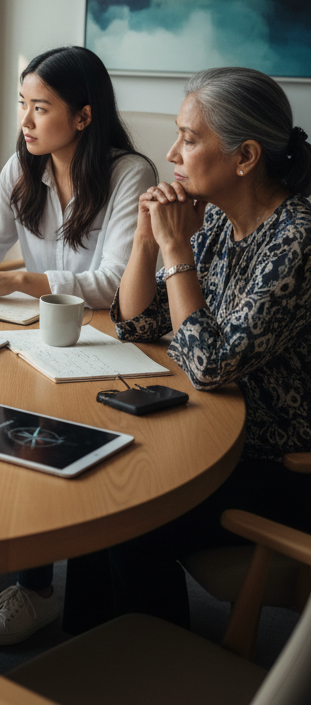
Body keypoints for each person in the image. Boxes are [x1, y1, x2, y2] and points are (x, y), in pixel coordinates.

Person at [0, 45, 156, 645]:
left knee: (35, 434)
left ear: (83, 116)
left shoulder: (131, 174)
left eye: (40, 107)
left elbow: (113, 286)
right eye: (22, 104)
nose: (24, 121)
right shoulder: (26, 164)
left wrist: (25, 279)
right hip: (36, 336)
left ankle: (37, 590)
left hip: (107, 345)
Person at [62, 67, 311, 635]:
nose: (171, 152)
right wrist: (148, 240)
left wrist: (176, 245)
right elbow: (139, 323)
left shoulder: (298, 238)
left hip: (278, 467)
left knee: (124, 517)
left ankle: (152, 665)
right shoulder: (221, 220)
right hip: (215, 435)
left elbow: (206, 364)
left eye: (190, 139)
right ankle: (89, 654)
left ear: (245, 156)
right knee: (98, 483)